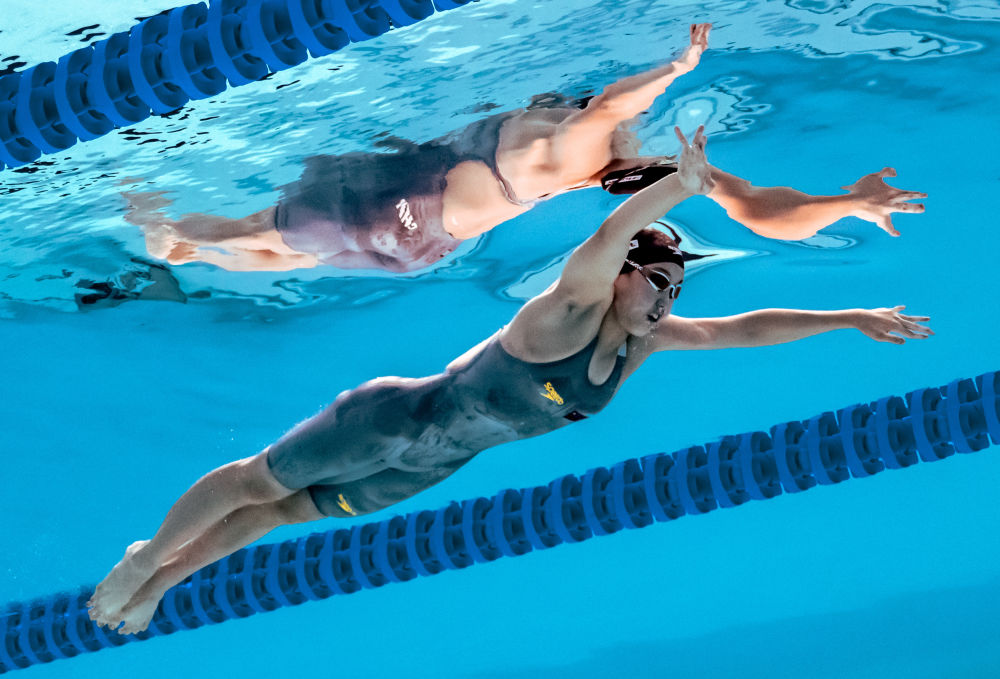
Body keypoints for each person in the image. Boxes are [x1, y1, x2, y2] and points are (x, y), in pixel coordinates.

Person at [87, 126, 931, 635]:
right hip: (392, 419)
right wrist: (678, 186)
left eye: (676, 289)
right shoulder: (566, 311)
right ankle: (146, 556)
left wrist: (848, 317)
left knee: (278, 515)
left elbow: (744, 327)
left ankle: (161, 581)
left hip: (430, 465)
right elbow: (607, 237)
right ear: (621, 277)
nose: (666, 300)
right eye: (655, 281)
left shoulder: (643, 345)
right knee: (254, 482)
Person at [124, 24, 925, 273]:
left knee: (254, 228)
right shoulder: (609, 170)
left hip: (386, 201)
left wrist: (675, 70)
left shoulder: (571, 142)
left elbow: (611, 104)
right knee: (285, 255)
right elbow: (753, 207)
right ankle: (187, 250)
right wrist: (847, 202)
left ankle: (163, 232)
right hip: (418, 246)